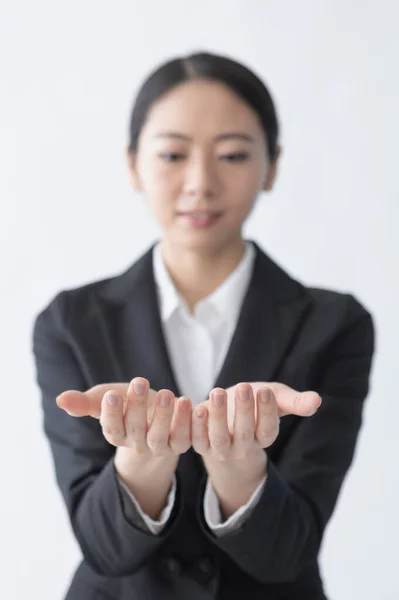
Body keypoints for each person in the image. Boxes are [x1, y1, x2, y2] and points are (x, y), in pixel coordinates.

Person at [32, 51, 375, 600]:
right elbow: (101, 547)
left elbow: (291, 549)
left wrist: (241, 471)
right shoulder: (70, 322)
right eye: (172, 154)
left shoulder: (335, 324)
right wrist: (141, 463)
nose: (200, 183)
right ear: (132, 163)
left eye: (233, 154)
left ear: (273, 165)